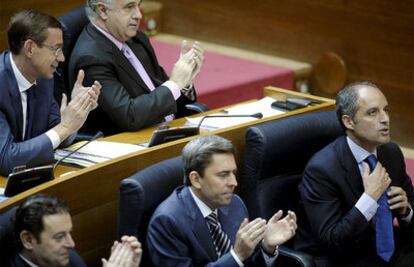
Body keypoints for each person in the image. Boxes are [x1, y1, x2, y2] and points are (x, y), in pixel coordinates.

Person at [299, 81, 414, 267]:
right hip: (343, 259)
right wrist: (369, 198)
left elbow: (411, 206)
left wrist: (406, 211)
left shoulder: (391, 153)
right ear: (348, 121)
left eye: (386, 110)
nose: (385, 119)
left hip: (384, 253)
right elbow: (332, 242)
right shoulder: (321, 170)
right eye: (372, 112)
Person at [147, 135, 297, 266]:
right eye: (223, 174)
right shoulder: (167, 222)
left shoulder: (235, 204)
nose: (234, 182)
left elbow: (247, 263)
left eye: (233, 173)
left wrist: (267, 247)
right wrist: (236, 256)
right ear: (196, 179)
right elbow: (239, 259)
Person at [68, 0, 204, 136]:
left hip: (168, 130)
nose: (139, 14)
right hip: (132, 145)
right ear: (102, 11)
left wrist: (184, 81)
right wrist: (175, 83)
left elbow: (163, 91)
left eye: (138, 5)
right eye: (129, 7)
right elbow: (129, 116)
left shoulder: (137, 39)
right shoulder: (91, 58)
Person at [0, 10, 101, 176]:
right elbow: (6, 159)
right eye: (56, 49)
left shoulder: (43, 77)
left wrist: (76, 111)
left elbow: (55, 133)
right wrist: (65, 126)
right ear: (30, 48)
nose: (61, 58)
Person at [10, 194, 142, 267]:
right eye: (59, 237)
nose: (71, 244)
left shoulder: (70, 259)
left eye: (69, 233)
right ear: (28, 240)